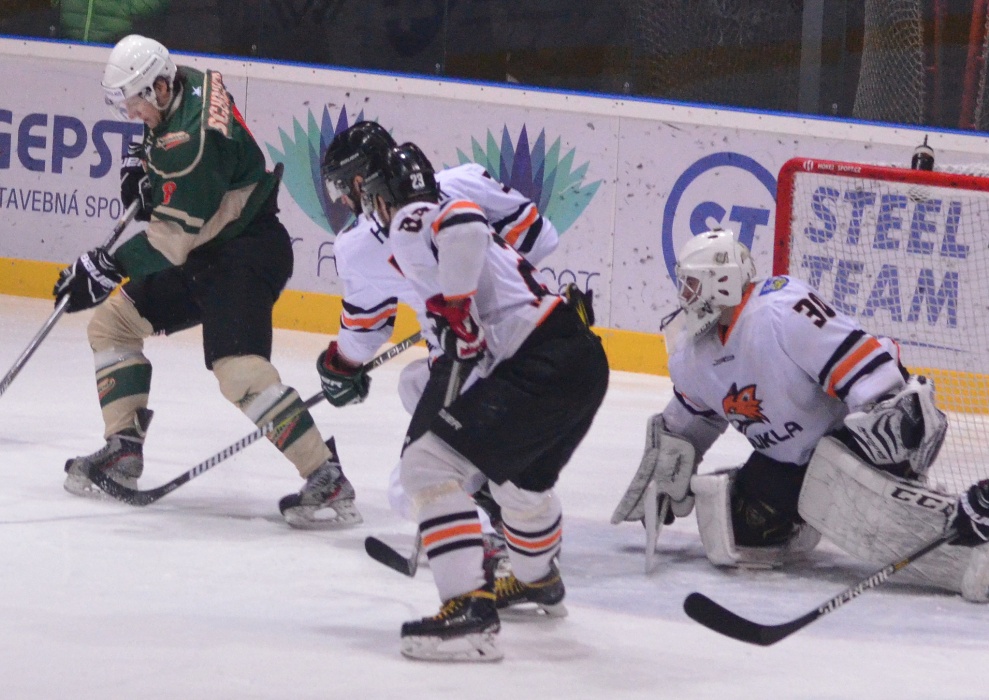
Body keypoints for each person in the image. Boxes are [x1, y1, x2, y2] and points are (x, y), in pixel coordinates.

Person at [54, 34, 360, 530]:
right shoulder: (187, 84)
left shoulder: (189, 144)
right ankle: (123, 448)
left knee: (239, 372)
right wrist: (148, 174)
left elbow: (170, 241)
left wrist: (105, 265)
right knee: (112, 325)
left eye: (134, 103)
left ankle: (325, 475)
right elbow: (185, 175)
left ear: (157, 87)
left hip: (244, 251)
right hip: (209, 245)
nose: (131, 113)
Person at [612, 228, 989, 601]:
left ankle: (967, 544)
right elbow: (689, 422)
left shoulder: (781, 310)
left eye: (692, 285)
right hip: (792, 459)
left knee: (848, 486)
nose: (685, 296)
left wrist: (890, 423)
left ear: (721, 281)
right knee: (739, 527)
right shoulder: (693, 355)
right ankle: (808, 512)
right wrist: (668, 465)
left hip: (853, 441)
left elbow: (865, 370)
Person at [346, 143, 608, 661]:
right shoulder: (429, 217)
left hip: (539, 362)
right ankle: (536, 578)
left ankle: (469, 611)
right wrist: (458, 321)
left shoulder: (410, 218)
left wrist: (457, 305)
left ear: (381, 199)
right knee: (518, 484)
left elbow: (464, 222)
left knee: (425, 468)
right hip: (577, 360)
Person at [317, 121, 589, 575]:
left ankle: (483, 540)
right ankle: (491, 499)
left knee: (409, 487)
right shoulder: (463, 180)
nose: (343, 200)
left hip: (482, 356)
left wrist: (340, 365)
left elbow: (365, 333)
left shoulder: (357, 246)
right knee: (412, 384)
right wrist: (495, 293)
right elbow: (540, 239)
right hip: (514, 340)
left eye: (343, 187)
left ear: (362, 182)